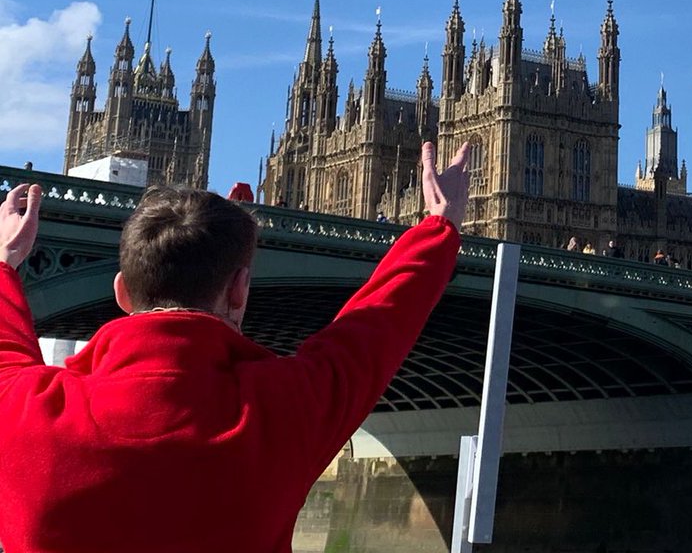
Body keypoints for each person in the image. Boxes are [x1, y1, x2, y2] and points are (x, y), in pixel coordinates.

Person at [0, 140, 468, 553]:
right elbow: (378, 324)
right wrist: (438, 226)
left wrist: (5, 262)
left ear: (121, 291)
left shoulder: (23, 411)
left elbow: (6, 346)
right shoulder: (282, 407)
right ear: (240, 290)